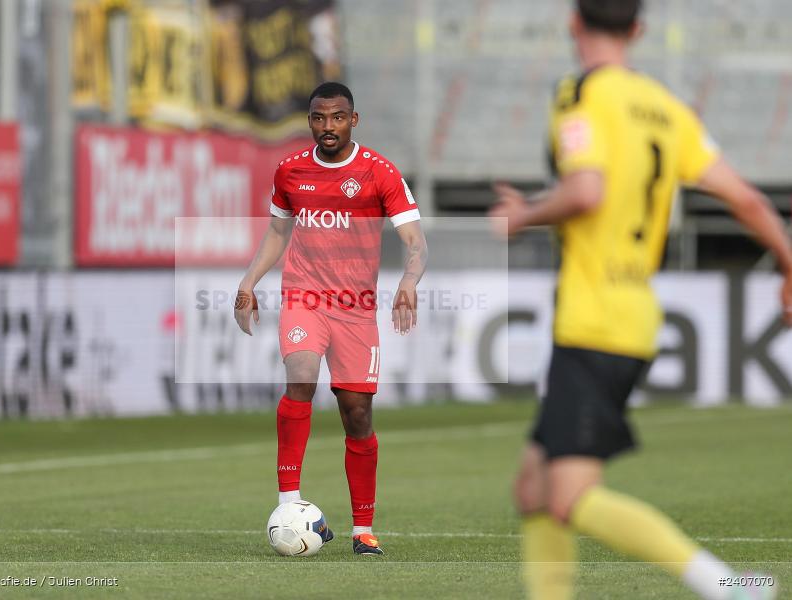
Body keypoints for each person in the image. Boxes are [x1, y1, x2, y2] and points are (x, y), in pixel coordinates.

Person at [490, 1, 792, 598]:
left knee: (568, 497)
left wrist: (522, 215)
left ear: (574, 23)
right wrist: (788, 261)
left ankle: (728, 585)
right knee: (533, 489)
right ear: (638, 29)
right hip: (633, 315)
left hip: (593, 319)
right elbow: (747, 199)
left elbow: (587, 190)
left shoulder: (581, 93)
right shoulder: (667, 108)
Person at [234, 81, 427, 556]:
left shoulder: (379, 172)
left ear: (353, 120)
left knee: (356, 413)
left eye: (338, 117)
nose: (328, 126)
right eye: (319, 118)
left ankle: (363, 529)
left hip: (356, 309)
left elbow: (416, 242)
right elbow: (277, 233)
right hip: (305, 295)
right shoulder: (291, 170)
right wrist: (249, 281)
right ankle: (289, 503)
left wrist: (408, 280)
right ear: (309, 121)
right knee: (300, 376)